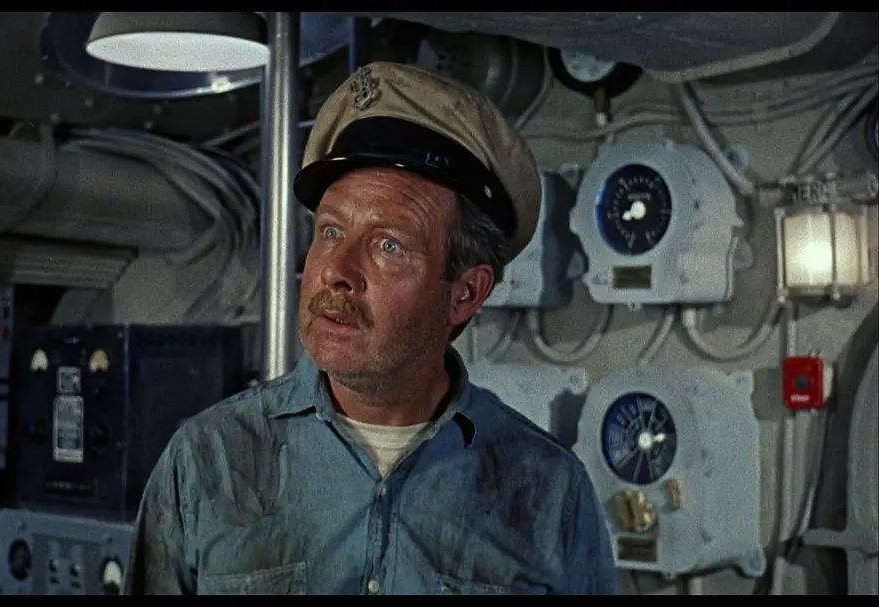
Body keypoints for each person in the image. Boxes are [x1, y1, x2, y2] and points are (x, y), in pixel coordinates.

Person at [124, 61, 619, 595]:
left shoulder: (548, 490)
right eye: (331, 232)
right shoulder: (207, 460)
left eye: (388, 245)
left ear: (465, 294)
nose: (337, 272)